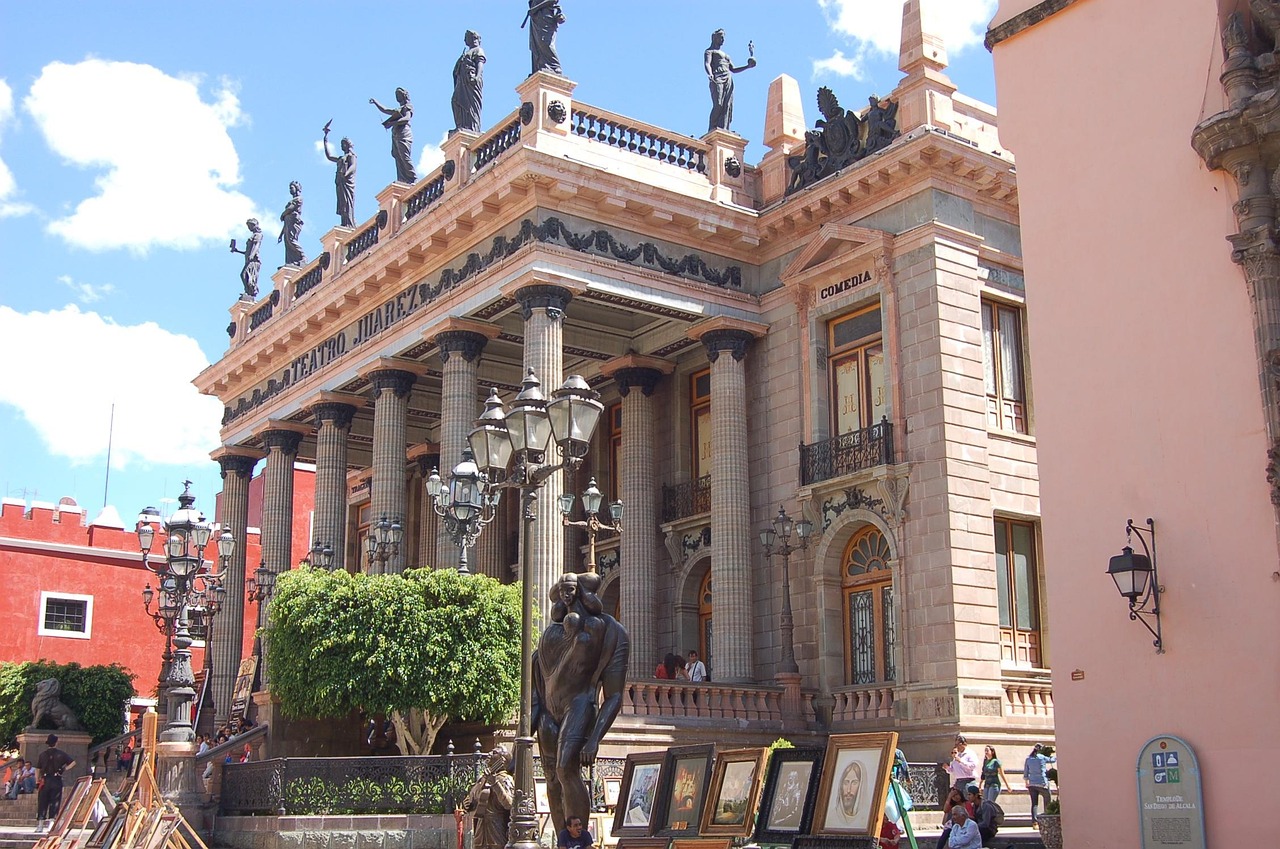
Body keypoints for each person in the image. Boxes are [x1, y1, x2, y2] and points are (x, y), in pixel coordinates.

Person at [532, 571, 630, 832]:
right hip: (548, 713)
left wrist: (594, 738)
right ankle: (565, 841)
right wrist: (527, 730)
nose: (567, 594)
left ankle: (578, 839)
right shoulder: (550, 634)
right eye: (562, 589)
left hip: (579, 706)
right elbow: (536, 680)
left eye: (572, 588)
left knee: (565, 770)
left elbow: (614, 696)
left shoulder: (611, 631)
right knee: (552, 778)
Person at [704, 29, 756, 133]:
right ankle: (712, 128)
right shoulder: (709, 51)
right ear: (715, 38)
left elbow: (733, 69)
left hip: (728, 78)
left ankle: (724, 128)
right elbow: (707, 63)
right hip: (717, 77)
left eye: (723, 37)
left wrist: (747, 66)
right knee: (718, 104)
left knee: (727, 104)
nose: (723, 40)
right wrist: (710, 74)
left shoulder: (726, 55)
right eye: (721, 37)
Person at [462, 746, 514, 849]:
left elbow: (509, 804)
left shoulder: (505, 779)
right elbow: (472, 797)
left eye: (494, 752)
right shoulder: (484, 778)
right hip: (481, 828)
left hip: (497, 827)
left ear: (502, 759)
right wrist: (467, 803)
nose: (489, 753)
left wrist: (495, 784)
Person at [371, 88, 417, 185]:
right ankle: (403, 179)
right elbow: (385, 110)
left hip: (404, 133)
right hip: (396, 134)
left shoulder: (408, 106)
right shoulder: (398, 109)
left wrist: (392, 123)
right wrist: (376, 102)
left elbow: (407, 118)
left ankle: (413, 178)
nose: (398, 97)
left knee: (404, 156)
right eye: (396, 95)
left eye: (399, 94)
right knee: (397, 155)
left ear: (404, 95)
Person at [35, 734, 76, 832]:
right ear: (56, 743)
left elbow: (37, 769)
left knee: (42, 801)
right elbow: (73, 762)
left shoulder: (42, 754)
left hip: (45, 779)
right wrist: (64, 769)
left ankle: (40, 825)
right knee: (55, 801)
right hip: (56, 779)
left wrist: (37, 780)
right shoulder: (61, 754)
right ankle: (51, 824)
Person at [322, 129, 358, 228]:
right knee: (342, 204)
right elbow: (329, 156)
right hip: (340, 183)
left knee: (347, 202)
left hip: (347, 183)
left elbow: (353, 166)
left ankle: (349, 223)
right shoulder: (340, 158)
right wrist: (325, 140)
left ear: (348, 144)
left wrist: (346, 173)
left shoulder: (351, 156)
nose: (341, 146)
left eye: (343, 144)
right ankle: (344, 222)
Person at [452, 31, 485, 134]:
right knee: (455, 101)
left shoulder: (478, 50)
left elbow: (480, 63)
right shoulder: (467, 52)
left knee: (471, 105)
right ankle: (461, 125)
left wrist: (477, 76)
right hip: (462, 83)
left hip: (471, 81)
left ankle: (471, 127)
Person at [523, 0, 566, 76]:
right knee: (535, 45)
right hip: (535, 18)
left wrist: (535, 8)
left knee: (545, 42)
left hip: (546, 15)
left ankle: (554, 67)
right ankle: (539, 66)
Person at [230, 218, 263, 299]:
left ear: (254, 225)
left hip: (254, 260)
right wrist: (237, 250)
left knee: (244, 275)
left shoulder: (258, 235)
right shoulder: (253, 235)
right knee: (245, 276)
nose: (249, 228)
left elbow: (256, 245)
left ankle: (251, 292)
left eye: (250, 226)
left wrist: (252, 255)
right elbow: (247, 252)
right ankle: (248, 292)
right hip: (249, 259)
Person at [1023, 743, 1056, 823]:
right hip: (1042, 783)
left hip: (1032, 784)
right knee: (1047, 800)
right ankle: (1047, 819)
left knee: (1034, 803)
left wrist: (1026, 782)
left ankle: (1034, 822)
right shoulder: (1042, 757)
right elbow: (1053, 760)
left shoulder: (1028, 759)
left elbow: (1026, 772)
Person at [278, 181, 306, 266]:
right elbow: (285, 223)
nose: (290, 190)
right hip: (288, 222)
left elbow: (290, 208)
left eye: (292, 187)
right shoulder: (293, 200)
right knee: (287, 242)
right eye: (290, 188)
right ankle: (291, 262)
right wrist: (281, 234)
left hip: (294, 222)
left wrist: (282, 214)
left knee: (292, 240)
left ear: (297, 188)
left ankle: (303, 257)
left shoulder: (299, 199)